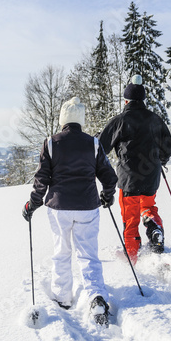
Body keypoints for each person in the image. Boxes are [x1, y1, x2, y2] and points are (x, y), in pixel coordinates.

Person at [22, 97, 118, 325]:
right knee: (88, 255)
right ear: (81, 120)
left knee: (62, 252)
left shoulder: (51, 143)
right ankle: (96, 296)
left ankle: (63, 297)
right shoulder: (93, 143)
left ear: (63, 119)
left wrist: (32, 204)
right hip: (87, 206)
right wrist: (107, 195)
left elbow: (41, 180)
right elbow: (109, 175)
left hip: (59, 208)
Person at [98, 75, 171, 263]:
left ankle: (132, 257)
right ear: (142, 99)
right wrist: (160, 160)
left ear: (126, 100)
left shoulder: (120, 121)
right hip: (151, 176)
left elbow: (101, 148)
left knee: (130, 218)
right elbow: (168, 147)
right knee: (148, 206)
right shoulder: (155, 119)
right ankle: (154, 227)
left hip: (129, 178)